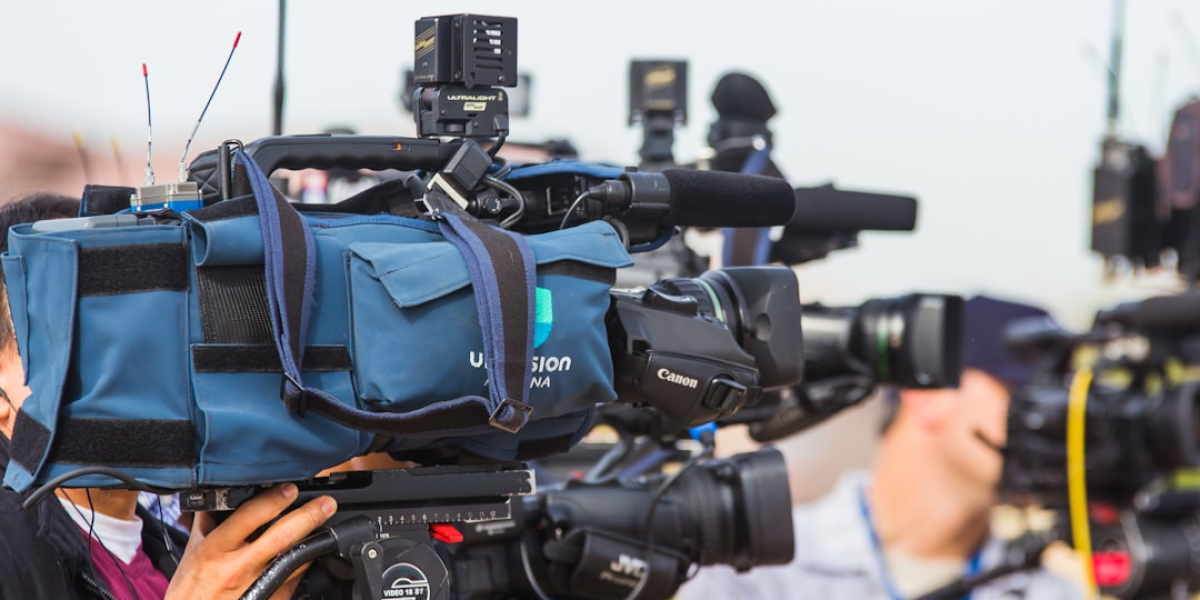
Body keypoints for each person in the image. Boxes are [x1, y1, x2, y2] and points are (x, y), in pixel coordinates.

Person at [0, 192, 337, 600]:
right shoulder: (11, 554)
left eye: (144, 318)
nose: (125, 358)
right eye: (77, 337)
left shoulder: (183, 550)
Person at [678, 295, 1083, 599]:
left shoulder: (1048, 592)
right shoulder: (756, 570)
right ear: (927, 394)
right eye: (1025, 393)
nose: (1054, 419)